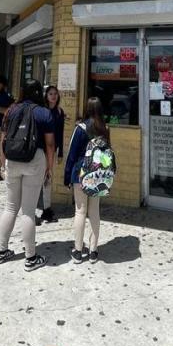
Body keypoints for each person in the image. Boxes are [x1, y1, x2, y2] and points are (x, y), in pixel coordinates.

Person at [0, 80, 55, 271]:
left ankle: (1, 251)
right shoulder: (44, 113)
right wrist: (49, 167)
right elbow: (50, 144)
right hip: (34, 160)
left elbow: (3, 138)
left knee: (10, 207)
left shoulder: (11, 110)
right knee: (28, 211)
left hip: (12, 159)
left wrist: (3, 161)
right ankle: (30, 257)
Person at [64, 97, 110, 264]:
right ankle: (93, 250)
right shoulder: (105, 128)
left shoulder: (81, 128)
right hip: (98, 175)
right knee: (94, 212)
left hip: (80, 174)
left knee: (80, 212)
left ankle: (77, 251)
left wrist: (67, 176)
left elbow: (72, 154)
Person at [36, 85, 66, 225]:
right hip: (40, 149)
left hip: (52, 151)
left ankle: (47, 209)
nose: (53, 96)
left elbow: (60, 133)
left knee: (48, 179)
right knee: (37, 179)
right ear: (46, 96)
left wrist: (60, 153)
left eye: (55, 94)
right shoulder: (42, 111)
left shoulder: (60, 112)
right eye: (50, 94)